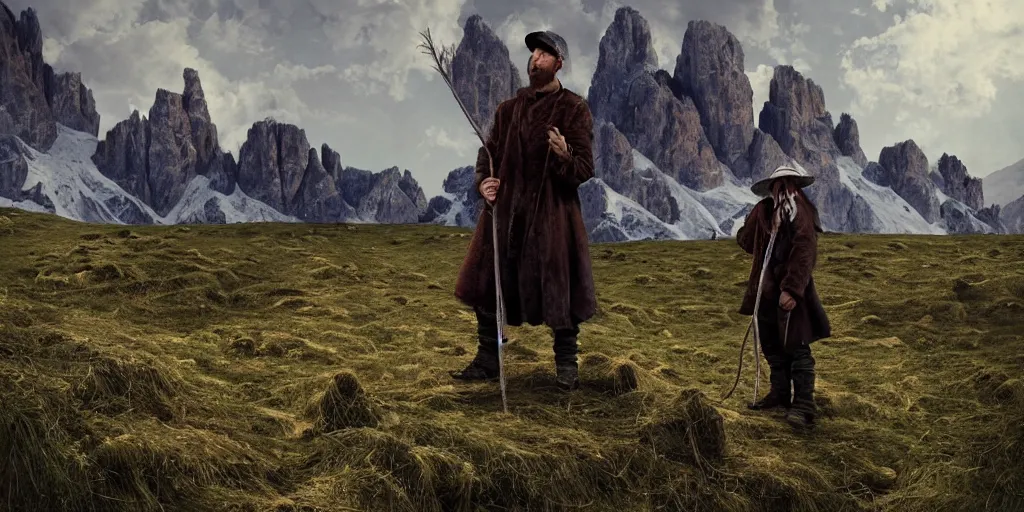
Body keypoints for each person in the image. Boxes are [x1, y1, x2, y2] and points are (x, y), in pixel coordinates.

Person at [449, 30, 597, 392]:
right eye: (533, 53)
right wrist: (485, 183)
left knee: (559, 289)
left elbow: (584, 169)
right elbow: (489, 153)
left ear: (558, 63)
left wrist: (564, 155)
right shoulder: (508, 109)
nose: (535, 60)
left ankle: (566, 366)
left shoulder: (574, 108)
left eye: (544, 55)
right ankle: (488, 359)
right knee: (488, 285)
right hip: (505, 215)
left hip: (551, 216)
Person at [736, 165, 831, 429]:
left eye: (788, 183)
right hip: (765, 290)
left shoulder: (801, 211)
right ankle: (779, 394)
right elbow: (746, 242)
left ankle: (804, 404)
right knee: (771, 344)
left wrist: (791, 289)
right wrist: (753, 220)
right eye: (778, 185)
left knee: (797, 345)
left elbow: (804, 249)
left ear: (795, 185)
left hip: (789, 290)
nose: (783, 188)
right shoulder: (764, 211)